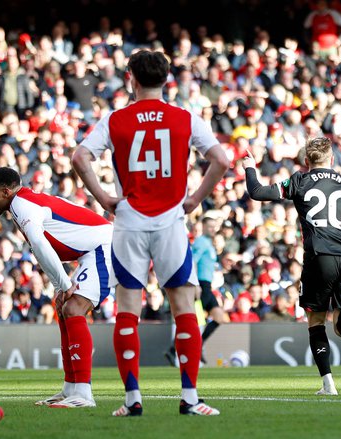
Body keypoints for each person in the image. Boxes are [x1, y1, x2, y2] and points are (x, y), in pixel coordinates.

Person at [72, 49, 229, 417]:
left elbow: (80, 157)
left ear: (132, 78)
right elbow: (222, 160)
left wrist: (105, 198)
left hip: (129, 219)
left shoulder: (115, 119)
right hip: (171, 220)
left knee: (128, 308)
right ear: (167, 78)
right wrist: (194, 200)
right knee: (184, 306)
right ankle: (190, 399)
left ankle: (132, 400)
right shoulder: (185, 118)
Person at [244, 136, 341, 395]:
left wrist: (249, 167)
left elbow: (257, 192)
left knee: (316, 320)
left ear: (306, 161)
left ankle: (328, 383)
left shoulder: (299, 180)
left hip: (319, 257)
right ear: (332, 160)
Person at [0, 166, 112, 408]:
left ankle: (84, 395)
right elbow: (43, 250)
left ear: (5, 191)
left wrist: (64, 284)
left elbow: (41, 246)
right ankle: (70, 389)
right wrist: (59, 286)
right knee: (64, 307)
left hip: (105, 246)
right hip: (90, 250)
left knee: (73, 308)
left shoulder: (22, 205)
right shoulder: (22, 202)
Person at [165, 213, 227, 366]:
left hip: (207, 285)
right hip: (200, 284)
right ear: (203, 226)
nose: (213, 229)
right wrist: (195, 284)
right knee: (190, 319)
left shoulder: (208, 243)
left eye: (214, 227)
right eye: (210, 226)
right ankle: (176, 350)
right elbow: (192, 261)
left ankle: (179, 349)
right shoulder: (201, 242)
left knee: (218, 318)